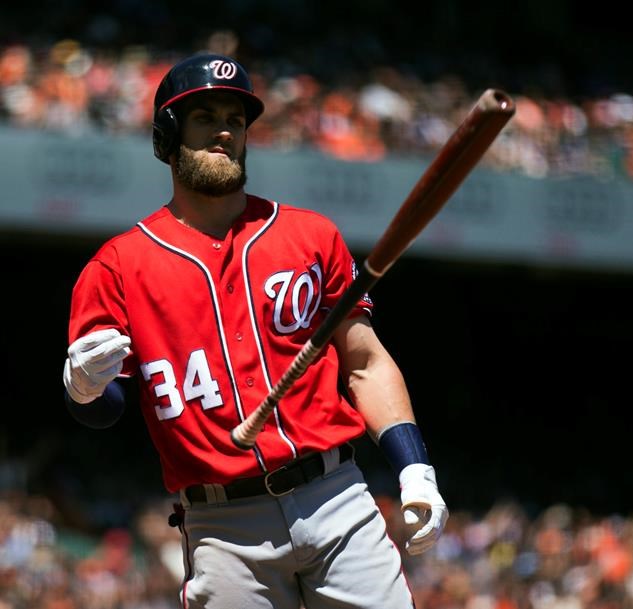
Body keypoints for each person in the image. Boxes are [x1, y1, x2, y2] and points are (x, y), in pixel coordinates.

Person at [63, 52, 449, 609]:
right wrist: (85, 388)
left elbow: (364, 362)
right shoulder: (117, 266)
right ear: (167, 136)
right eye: (204, 116)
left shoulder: (310, 236)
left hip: (336, 498)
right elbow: (105, 406)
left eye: (236, 119)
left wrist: (415, 468)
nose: (225, 129)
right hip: (223, 525)